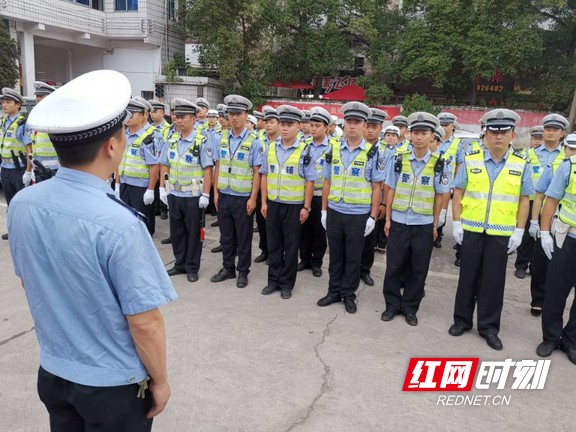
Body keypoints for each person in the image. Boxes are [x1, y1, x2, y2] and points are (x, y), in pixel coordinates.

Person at [8, 69, 177, 431]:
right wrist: (160, 382)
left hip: (54, 371)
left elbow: (29, 281)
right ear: (112, 146)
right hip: (111, 386)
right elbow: (145, 322)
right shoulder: (121, 224)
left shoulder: (23, 203)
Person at [450, 108, 533, 351]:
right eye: (493, 131)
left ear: (512, 135)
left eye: (503, 131)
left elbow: (524, 200)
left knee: (493, 282)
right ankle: (462, 321)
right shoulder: (471, 159)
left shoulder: (521, 165)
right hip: (472, 229)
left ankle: (488, 327)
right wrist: (456, 222)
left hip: (500, 233)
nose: (498, 136)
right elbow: (459, 193)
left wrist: (519, 231)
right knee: (467, 278)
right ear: (485, 135)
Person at [381, 112, 451, 326]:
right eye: (416, 133)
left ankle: (410, 307)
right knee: (394, 265)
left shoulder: (439, 163)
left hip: (423, 224)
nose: (419, 137)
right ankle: (392, 305)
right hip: (400, 221)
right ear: (410, 135)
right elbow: (390, 188)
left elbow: (441, 194)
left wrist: (436, 222)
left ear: (432, 136)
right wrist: (388, 219)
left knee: (418, 268)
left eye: (424, 133)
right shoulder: (398, 159)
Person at [317, 102, 385, 314]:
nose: (352, 126)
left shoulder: (373, 153)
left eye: (357, 122)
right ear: (343, 124)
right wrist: (324, 211)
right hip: (336, 211)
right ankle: (334, 290)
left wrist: (372, 217)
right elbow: (327, 181)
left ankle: (349, 293)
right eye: (349, 122)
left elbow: (377, 187)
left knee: (353, 257)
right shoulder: (334, 148)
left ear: (365, 126)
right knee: (335, 255)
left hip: (358, 215)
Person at [260, 105, 316, 299]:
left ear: (299, 126)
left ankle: (286, 284)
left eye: (289, 124)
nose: (284, 128)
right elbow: (264, 175)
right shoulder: (271, 147)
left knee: (291, 247)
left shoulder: (305, 150)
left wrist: (306, 207)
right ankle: (272, 281)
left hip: (294, 207)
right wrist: (264, 202)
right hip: (274, 204)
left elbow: (310, 180)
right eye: (282, 124)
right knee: (274, 245)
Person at [211, 95, 263, 288]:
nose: (234, 118)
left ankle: (243, 271)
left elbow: (257, 172)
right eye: (231, 114)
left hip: (243, 198)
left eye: (238, 114)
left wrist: (253, 198)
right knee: (226, 235)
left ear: (246, 115)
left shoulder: (254, 141)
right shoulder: (220, 138)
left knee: (244, 237)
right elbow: (218, 165)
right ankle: (228, 268)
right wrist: (215, 192)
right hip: (224, 194)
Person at [159, 99, 213, 283]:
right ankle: (179, 263)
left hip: (193, 196)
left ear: (193, 118)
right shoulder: (172, 139)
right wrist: (163, 188)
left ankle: (192, 267)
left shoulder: (201, 140)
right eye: (176, 117)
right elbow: (164, 165)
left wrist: (206, 194)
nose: (178, 121)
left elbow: (208, 169)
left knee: (194, 233)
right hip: (174, 194)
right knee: (177, 232)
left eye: (182, 117)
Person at [536, 133, 576, 364]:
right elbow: (550, 200)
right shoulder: (569, 166)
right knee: (555, 291)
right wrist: (543, 232)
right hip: (567, 237)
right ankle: (550, 337)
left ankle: (571, 340)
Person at [524, 114, 568, 316]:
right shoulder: (531, 153)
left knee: (558, 263)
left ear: (562, 133)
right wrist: (534, 221)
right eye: (547, 128)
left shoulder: (567, 156)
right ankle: (538, 299)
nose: (550, 132)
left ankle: (552, 300)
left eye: (555, 129)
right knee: (540, 258)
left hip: (563, 214)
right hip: (537, 207)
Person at [116, 97, 163, 236]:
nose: (128, 117)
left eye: (132, 113)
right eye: (127, 113)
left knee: (143, 227)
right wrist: (117, 184)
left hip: (141, 187)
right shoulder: (123, 134)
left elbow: (154, 165)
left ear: (144, 116)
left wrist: (150, 190)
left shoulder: (150, 136)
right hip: (125, 183)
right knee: (127, 223)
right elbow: (120, 160)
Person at [298, 106, 332, 277]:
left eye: (317, 125)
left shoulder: (334, 147)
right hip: (305, 195)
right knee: (304, 228)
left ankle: (316, 262)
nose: (313, 128)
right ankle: (304, 259)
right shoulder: (304, 146)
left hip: (322, 196)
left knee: (319, 230)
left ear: (326, 127)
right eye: (311, 125)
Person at [360, 108, 388, 286]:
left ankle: (365, 270)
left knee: (369, 240)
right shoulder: (353, 145)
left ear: (381, 128)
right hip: (355, 202)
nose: (370, 130)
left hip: (374, 202)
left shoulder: (388, 151)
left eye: (374, 127)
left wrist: (383, 203)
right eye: (368, 126)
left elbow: (388, 181)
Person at [513, 125, 545, 277]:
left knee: (541, 236)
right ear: (531, 139)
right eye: (535, 138)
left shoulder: (559, 156)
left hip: (547, 203)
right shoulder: (525, 156)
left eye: (540, 138)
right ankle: (521, 265)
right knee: (525, 234)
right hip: (529, 201)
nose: (538, 141)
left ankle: (535, 266)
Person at [1, 87, 31, 240]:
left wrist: (28, 171)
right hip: (5, 169)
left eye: (8, 102)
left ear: (18, 105)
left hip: (18, 170)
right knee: (10, 203)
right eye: (3, 102)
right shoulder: (3, 122)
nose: (4, 105)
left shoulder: (22, 124)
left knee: (21, 203)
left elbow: (29, 149)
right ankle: (13, 231)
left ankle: (24, 233)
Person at [434, 112, 465, 249]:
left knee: (443, 209)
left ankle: (438, 235)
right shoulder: (434, 139)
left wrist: (456, 182)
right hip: (433, 179)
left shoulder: (457, 143)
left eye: (446, 125)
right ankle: (433, 230)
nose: (444, 128)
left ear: (452, 126)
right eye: (441, 125)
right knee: (433, 207)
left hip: (448, 182)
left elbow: (459, 163)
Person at [254, 106, 280, 264]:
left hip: (278, 188)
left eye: (272, 122)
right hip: (261, 187)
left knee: (275, 225)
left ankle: (275, 252)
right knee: (262, 222)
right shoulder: (259, 141)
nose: (268, 125)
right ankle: (265, 250)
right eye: (267, 122)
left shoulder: (283, 141)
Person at [27, 82, 59, 183]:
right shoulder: (36, 118)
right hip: (39, 169)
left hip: (55, 170)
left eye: (41, 96)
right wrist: (30, 170)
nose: (37, 99)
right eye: (37, 96)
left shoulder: (58, 119)